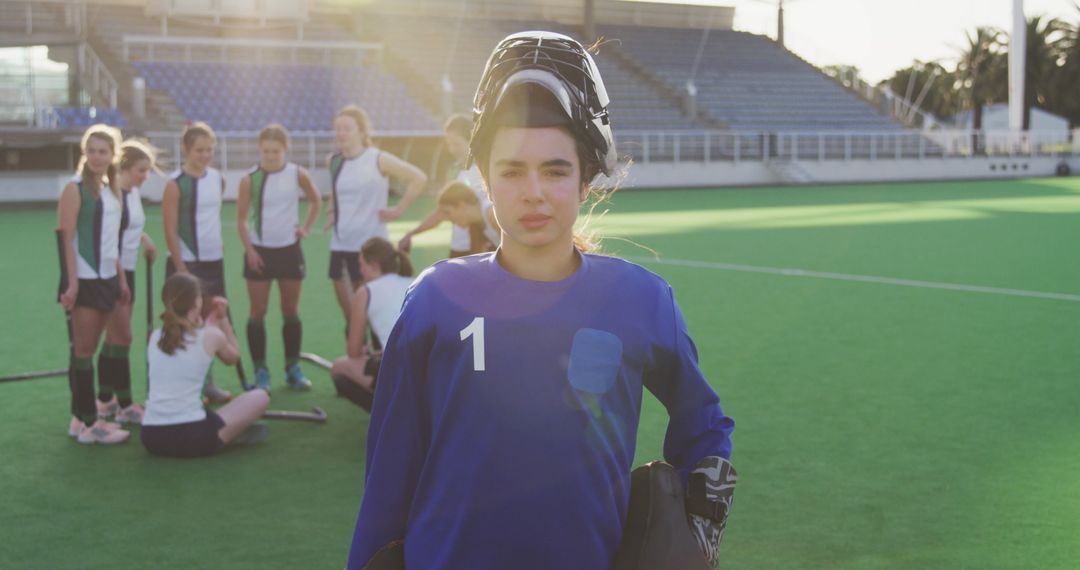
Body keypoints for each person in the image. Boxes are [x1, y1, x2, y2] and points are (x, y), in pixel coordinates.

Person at [347, 32, 735, 569]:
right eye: (511, 170)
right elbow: (390, 468)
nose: (534, 191)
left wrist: (701, 517)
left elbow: (705, 421)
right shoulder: (435, 300)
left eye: (555, 170)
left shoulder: (641, 300)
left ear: (585, 182)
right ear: (485, 178)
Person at [141, 273, 270, 458]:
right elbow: (232, 357)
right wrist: (223, 319)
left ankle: (228, 433)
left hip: (152, 438)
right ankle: (230, 435)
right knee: (260, 396)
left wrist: (209, 324)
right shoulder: (211, 336)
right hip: (193, 439)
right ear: (197, 302)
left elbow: (192, 339)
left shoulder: (155, 336)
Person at [58, 124, 132, 444]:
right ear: (84, 153)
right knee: (84, 350)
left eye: (104, 151)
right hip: (85, 280)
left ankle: (82, 418)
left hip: (107, 277)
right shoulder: (74, 188)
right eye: (93, 150)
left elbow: (109, 242)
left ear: (113, 155)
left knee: (104, 343)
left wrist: (121, 277)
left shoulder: (109, 187)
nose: (98, 157)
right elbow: (67, 237)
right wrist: (72, 283)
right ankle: (88, 423)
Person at [236, 124, 322, 392]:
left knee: (290, 310)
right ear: (259, 150)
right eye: (266, 151)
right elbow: (240, 220)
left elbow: (316, 201)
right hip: (260, 252)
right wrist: (250, 250)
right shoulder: (250, 178)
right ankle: (261, 371)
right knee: (257, 311)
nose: (271, 156)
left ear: (285, 149)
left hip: (289, 250)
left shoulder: (298, 173)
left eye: (275, 151)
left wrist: (305, 229)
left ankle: (292, 368)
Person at [325, 105, 427, 322]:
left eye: (347, 128)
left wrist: (398, 209)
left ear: (362, 132)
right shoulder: (333, 161)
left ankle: (378, 355)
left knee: (372, 314)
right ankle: (356, 354)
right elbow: (335, 191)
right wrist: (331, 211)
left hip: (371, 248)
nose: (341, 133)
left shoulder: (378, 159)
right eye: (338, 128)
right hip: (340, 246)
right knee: (351, 317)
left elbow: (419, 178)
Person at [161, 122, 234, 402]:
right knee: (184, 324)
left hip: (214, 262)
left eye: (209, 150)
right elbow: (169, 229)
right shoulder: (175, 184)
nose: (204, 155)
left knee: (211, 321)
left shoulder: (218, 178)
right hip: (186, 265)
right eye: (199, 150)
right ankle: (185, 387)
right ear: (186, 149)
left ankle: (208, 383)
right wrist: (180, 267)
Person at [95, 139, 160, 425]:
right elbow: (111, 240)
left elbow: (129, 227)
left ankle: (105, 400)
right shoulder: (113, 195)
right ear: (124, 168)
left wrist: (143, 237)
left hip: (128, 269)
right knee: (122, 338)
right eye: (141, 170)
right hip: (114, 273)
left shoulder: (131, 192)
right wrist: (122, 281)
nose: (145, 176)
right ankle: (124, 404)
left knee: (114, 338)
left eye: (148, 170)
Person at [329, 237, 413, 411]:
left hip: (404, 372)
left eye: (361, 265)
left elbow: (353, 352)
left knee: (339, 368)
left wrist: (364, 352)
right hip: (433, 368)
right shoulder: (413, 281)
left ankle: (392, 414)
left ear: (373, 265)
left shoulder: (366, 292)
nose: (360, 271)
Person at [397, 113, 495, 257]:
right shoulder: (453, 171)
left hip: (483, 247)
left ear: (471, 141)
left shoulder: (486, 170)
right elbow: (442, 211)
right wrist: (412, 233)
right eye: (449, 144)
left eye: (456, 144)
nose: (452, 149)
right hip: (459, 246)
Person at [434, 181, 500, 250]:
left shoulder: (491, 213)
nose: (446, 219)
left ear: (461, 206)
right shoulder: (476, 224)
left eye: (447, 212)